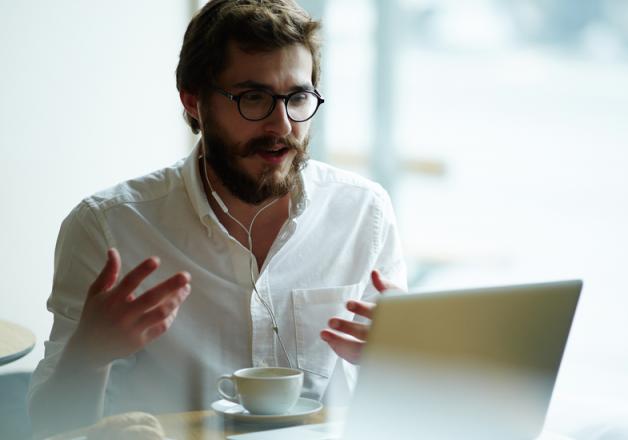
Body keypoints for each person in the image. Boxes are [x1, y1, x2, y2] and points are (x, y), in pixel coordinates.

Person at [27, 0, 407, 437]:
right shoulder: (109, 227)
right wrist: (87, 356)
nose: (281, 125)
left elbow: (403, 401)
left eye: (298, 97)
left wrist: (396, 360)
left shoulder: (364, 212)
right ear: (193, 101)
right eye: (253, 98)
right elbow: (49, 426)